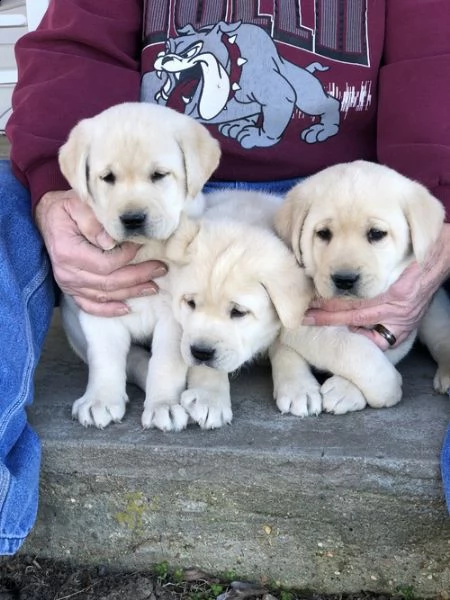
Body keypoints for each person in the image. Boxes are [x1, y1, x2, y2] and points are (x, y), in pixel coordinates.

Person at [2, 0, 449, 554]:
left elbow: (437, 62)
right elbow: (76, 48)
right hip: (164, 194)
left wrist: (434, 232)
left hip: (332, 203)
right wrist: (53, 189)